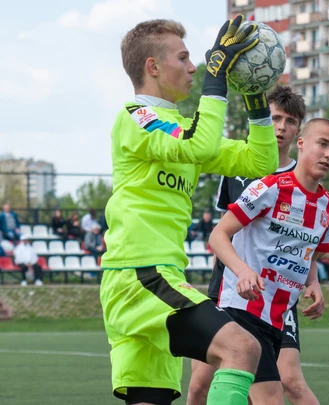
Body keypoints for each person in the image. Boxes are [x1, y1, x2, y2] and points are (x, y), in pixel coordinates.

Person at [99, 16, 280, 405]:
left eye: (199, 62)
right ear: (153, 67)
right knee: (242, 349)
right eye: (184, 58)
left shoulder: (183, 128)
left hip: (153, 277)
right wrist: (216, 79)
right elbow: (198, 145)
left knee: (151, 398)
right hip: (140, 275)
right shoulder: (137, 117)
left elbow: (261, 162)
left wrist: (254, 98)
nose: (195, 67)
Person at [188, 85, 318, 405]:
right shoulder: (239, 168)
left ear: (298, 130)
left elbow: (306, 240)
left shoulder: (304, 179)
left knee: (289, 381)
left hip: (276, 298)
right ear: (259, 120)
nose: (280, 127)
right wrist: (240, 271)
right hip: (230, 289)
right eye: (274, 118)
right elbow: (223, 232)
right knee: (200, 384)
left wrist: (313, 281)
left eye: (289, 121)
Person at [208, 118, 329, 405]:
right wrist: (242, 271)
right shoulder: (269, 187)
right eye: (323, 144)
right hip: (242, 308)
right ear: (302, 144)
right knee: (269, 399)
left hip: (277, 317)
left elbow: (309, 254)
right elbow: (218, 235)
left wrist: (314, 283)